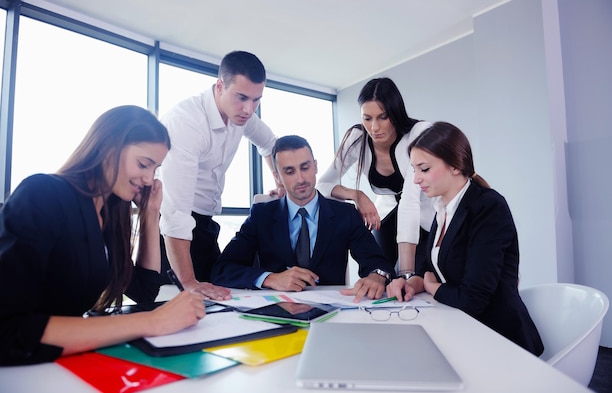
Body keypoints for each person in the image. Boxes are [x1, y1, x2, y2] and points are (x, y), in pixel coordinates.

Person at [0, 106, 207, 366]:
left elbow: (145, 290)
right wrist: (153, 322)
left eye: (155, 169)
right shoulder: (43, 193)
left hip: (61, 364)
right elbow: (7, 328)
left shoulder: (108, 214)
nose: (148, 178)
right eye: (143, 164)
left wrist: (150, 214)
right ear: (109, 147)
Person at [386, 121, 544, 355]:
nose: (416, 179)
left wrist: (432, 287)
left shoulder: (489, 207)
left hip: (500, 341)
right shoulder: (441, 210)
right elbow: (434, 270)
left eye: (424, 169)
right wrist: (414, 283)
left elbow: (473, 298)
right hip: (462, 331)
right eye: (414, 170)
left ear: (455, 166)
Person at [159, 50, 282, 300]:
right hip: (171, 233)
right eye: (242, 97)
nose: (249, 109)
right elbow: (175, 214)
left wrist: (279, 182)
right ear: (219, 86)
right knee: (179, 304)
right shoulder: (187, 123)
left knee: (221, 297)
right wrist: (188, 282)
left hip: (205, 225)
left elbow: (270, 143)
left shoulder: (241, 115)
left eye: (256, 100)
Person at [211, 135, 395, 302]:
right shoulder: (262, 215)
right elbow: (222, 270)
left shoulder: (345, 214)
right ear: (278, 177)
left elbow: (378, 263)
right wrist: (270, 278)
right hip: (277, 309)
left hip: (332, 309)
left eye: (305, 168)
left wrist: (376, 276)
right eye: (289, 172)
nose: (300, 179)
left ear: (315, 166)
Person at [317, 77, 434, 274]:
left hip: (427, 218)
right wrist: (357, 195)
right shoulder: (357, 139)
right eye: (367, 118)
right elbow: (323, 185)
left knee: (415, 279)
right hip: (387, 217)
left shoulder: (418, 133)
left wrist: (406, 272)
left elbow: (410, 201)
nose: (374, 128)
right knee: (379, 275)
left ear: (395, 113)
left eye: (383, 117)